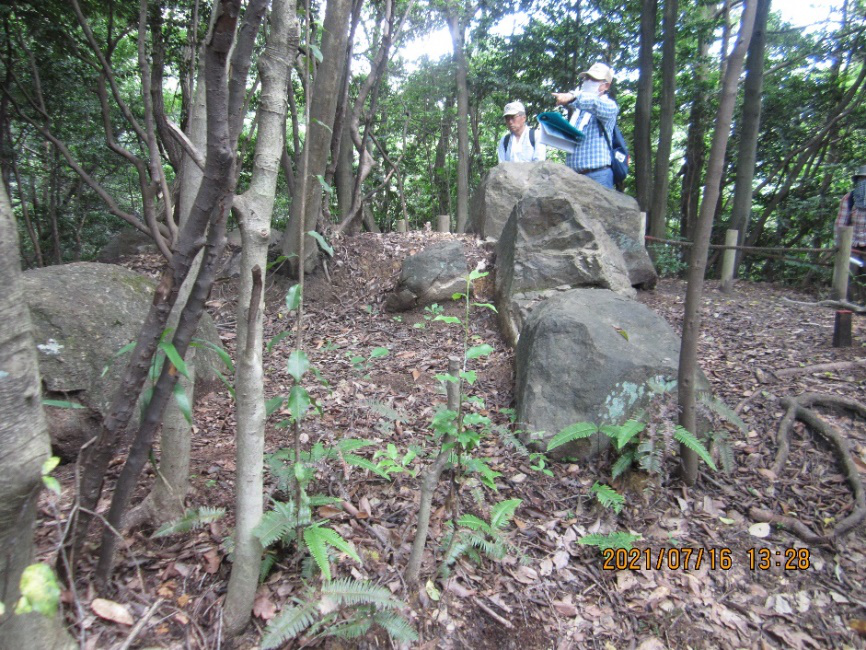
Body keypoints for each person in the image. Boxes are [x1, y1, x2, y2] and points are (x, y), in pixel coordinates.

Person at [551, 62, 619, 189]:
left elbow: (594, 103)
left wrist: (572, 96)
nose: (588, 81)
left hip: (598, 176)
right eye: (586, 78)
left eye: (593, 79)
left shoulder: (609, 106)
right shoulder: (578, 112)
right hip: (574, 177)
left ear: (606, 86)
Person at [836, 164, 866, 300]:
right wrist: (839, 246)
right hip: (852, 246)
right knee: (850, 277)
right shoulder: (849, 199)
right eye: (862, 179)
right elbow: (840, 225)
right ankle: (849, 305)